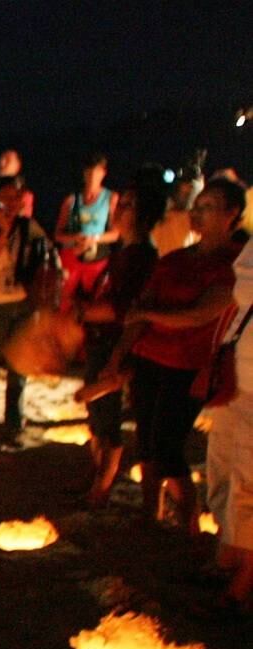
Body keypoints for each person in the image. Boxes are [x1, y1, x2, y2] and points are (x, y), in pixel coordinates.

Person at [84, 178, 243, 530]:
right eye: (196, 207)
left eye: (208, 207)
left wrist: (148, 313)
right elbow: (138, 314)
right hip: (149, 358)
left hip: (188, 365)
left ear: (231, 214)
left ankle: (189, 521)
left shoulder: (234, 263)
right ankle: (150, 511)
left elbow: (201, 314)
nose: (197, 214)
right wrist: (117, 357)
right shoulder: (173, 260)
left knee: (167, 447)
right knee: (145, 441)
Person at [75, 177, 164, 506]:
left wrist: (84, 313)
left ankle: (102, 486)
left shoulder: (141, 256)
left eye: (127, 205)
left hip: (115, 343)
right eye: (120, 202)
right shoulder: (123, 252)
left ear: (144, 216)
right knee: (97, 415)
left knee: (107, 417)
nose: (117, 208)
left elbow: (125, 308)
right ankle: (96, 475)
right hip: (101, 340)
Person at [0, 176, 53, 431]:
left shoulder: (29, 227)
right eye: (6, 197)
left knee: (19, 366)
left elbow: (45, 253)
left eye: (16, 197)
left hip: (22, 301)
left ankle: (13, 421)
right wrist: (2, 234)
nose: (12, 202)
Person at [204, 232, 253, 611]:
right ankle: (229, 554)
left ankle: (243, 585)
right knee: (221, 466)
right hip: (236, 374)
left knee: (248, 482)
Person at [54, 153, 119, 311]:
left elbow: (116, 233)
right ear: (83, 174)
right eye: (89, 173)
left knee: (97, 302)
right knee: (62, 300)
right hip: (71, 256)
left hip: (97, 258)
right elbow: (58, 235)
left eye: (96, 173)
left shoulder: (111, 198)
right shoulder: (71, 200)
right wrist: (76, 238)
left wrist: (94, 238)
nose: (92, 177)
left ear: (103, 173)